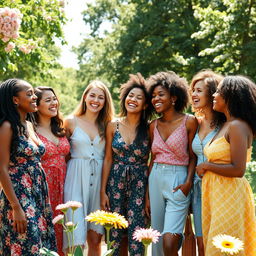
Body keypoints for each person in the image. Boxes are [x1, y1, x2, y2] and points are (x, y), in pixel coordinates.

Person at [196, 75, 256, 255]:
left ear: (231, 95)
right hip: (214, 194)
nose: (214, 95)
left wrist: (207, 166)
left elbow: (238, 169)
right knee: (214, 244)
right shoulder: (226, 125)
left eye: (219, 91)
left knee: (221, 248)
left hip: (229, 194)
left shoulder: (237, 126)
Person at [0, 79, 56, 255]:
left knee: (41, 247)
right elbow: (1, 168)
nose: (34, 97)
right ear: (15, 100)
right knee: (26, 244)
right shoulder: (7, 126)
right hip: (19, 195)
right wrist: (16, 207)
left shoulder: (30, 125)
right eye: (29, 94)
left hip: (37, 192)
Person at [146, 71, 198, 256]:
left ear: (174, 98)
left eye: (161, 94)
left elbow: (193, 156)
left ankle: (177, 241)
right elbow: (152, 159)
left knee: (169, 240)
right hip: (156, 178)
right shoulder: (153, 125)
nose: (155, 99)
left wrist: (188, 183)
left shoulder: (189, 122)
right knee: (157, 236)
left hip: (179, 179)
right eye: (153, 96)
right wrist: (147, 195)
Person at [100, 73, 151, 256]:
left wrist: (148, 195)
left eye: (139, 98)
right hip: (115, 182)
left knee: (137, 234)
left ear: (145, 104)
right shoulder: (113, 125)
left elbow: (152, 161)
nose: (133, 100)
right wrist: (102, 190)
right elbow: (108, 159)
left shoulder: (150, 128)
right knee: (114, 233)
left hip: (140, 182)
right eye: (130, 96)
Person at [63, 80, 115, 255]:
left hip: (100, 181)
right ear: (85, 97)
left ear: (105, 102)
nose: (96, 100)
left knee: (95, 237)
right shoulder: (70, 122)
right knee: (75, 235)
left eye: (101, 97)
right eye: (92, 95)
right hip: (76, 179)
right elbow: (63, 153)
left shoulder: (108, 125)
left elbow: (110, 156)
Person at [190, 70, 225, 256]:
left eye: (199, 90)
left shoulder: (226, 124)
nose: (194, 94)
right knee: (201, 243)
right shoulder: (195, 122)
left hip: (219, 188)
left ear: (211, 93)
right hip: (197, 190)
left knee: (218, 242)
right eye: (193, 90)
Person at [33, 86, 70, 256]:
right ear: (37, 105)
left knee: (64, 232)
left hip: (65, 186)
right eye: (48, 100)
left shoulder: (61, 128)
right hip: (43, 188)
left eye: (54, 99)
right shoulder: (30, 130)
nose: (54, 103)